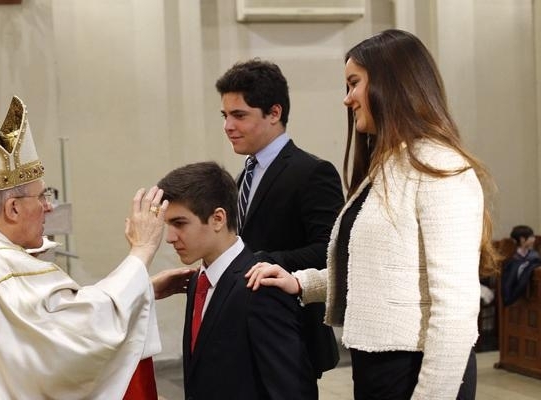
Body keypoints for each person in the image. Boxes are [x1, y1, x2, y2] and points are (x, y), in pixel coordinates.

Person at [246, 29, 498, 399]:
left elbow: (456, 308)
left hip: (418, 368)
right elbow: (374, 272)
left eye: (353, 84)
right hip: (379, 366)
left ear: (391, 84)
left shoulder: (441, 168)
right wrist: (300, 282)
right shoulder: (389, 164)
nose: (347, 99)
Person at [0, 96, 181, 399]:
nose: (48, 206)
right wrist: (141, 252)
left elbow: (48, 323)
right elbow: (79, 335)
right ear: (13, 209)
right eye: (41, 196)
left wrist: (142, 289)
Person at [216, 58, 344, 382]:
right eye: (225, 115)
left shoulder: (313, 172)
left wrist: (265, 262)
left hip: (289, 334)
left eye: (239, 115)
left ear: (274, 113)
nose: (228, 126)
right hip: (246, 331)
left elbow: (330, 252)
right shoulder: (243, 174)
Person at [157, 161, 314, 399]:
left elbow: (292, 389)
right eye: (167, 224)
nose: (169, 237)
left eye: (179, 223)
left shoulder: (259, 286)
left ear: (218, 218)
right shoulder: (197, 282)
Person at [502, 225, 541, 306]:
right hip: (522, 294)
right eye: (531, 237)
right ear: (522, 239)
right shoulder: (512, 258)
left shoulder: (534, 255)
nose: (534, 239)